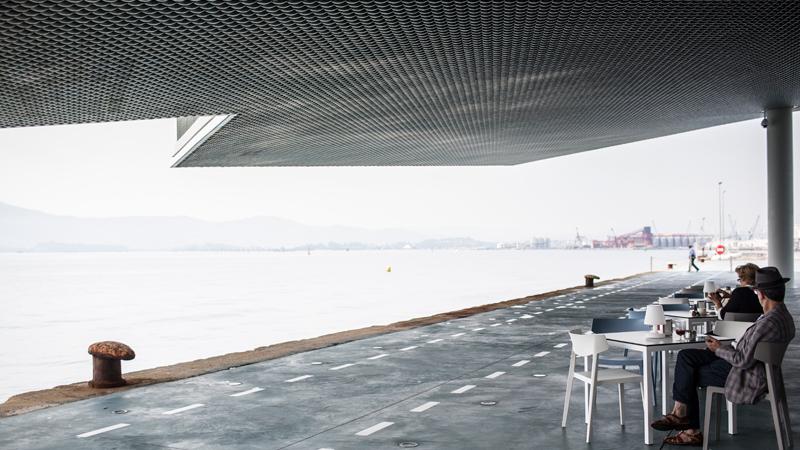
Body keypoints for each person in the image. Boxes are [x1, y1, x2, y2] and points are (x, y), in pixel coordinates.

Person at [650, 266, 795, 446]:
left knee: (689, 373)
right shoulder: (782, 316)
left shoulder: (769, 322)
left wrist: (719, 348)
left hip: (746, 373)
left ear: (762, 294)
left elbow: (742, 360)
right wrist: (723, 347)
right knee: (686, 357)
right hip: (755, 366)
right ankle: (681, 415)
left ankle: (688, 426)